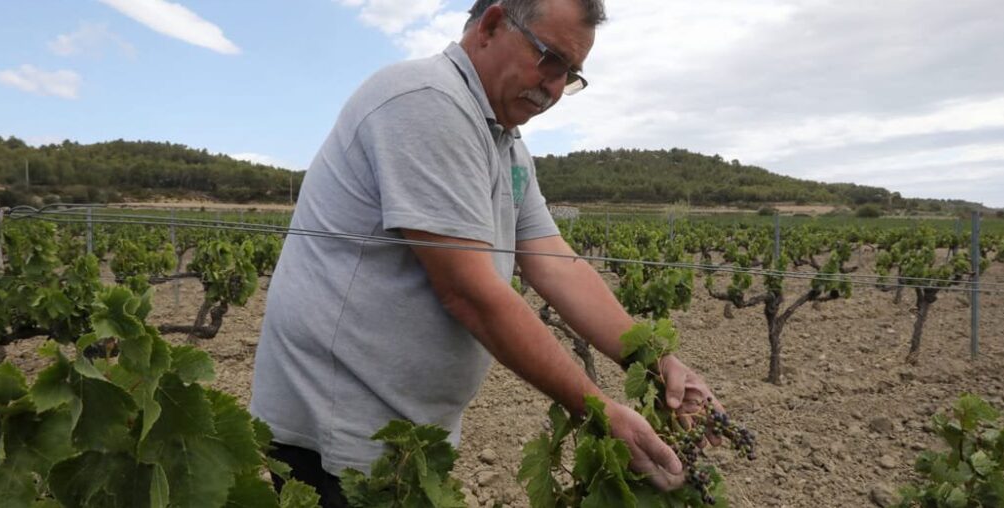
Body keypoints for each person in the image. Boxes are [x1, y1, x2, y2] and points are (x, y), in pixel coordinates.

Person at [249, 0, 722, 505]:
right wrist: (599, 410)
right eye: (551, 60)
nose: (556, 88)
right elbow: (469, 293)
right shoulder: (425, 101)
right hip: (338, 428)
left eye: (572, 75)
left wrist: (656, 358)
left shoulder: (506, 142)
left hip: (402, 429)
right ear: (493, 25)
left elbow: (557, 265)